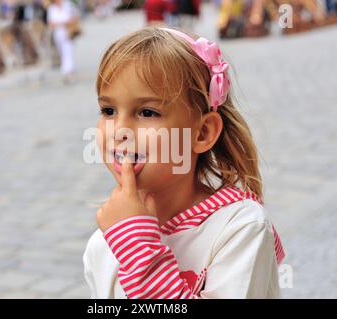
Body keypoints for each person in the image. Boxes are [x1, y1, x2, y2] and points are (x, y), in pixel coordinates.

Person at [83, 27, 285, 299]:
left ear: (202, 133)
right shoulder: (104, 244)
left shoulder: (239, 228)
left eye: (147, 112)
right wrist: (126, 236)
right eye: (108, 110)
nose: (120, 130)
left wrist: (136, 247)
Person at [47, 0, 78, 82]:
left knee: (68, 51)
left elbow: (75, 16)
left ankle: (68, 71)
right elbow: (50, 23)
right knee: (62, 52)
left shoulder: (68, 5)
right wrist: (61, 23)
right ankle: (67, 69)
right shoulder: (52, 8)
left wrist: (67, 23)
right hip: (58, 34)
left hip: (68, 32)